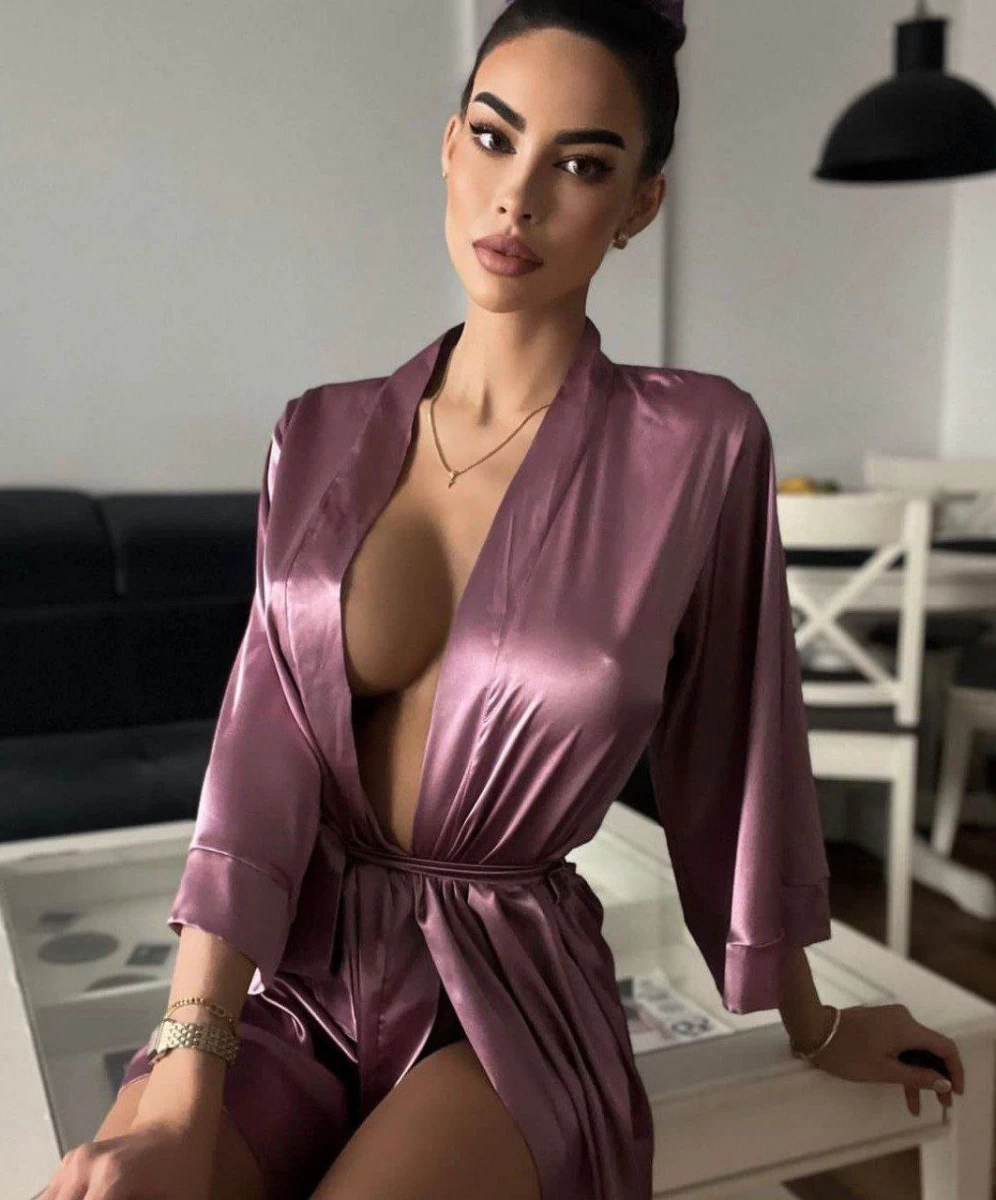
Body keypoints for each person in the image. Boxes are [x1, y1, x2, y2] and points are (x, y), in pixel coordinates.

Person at [40, 1, 965, 1198]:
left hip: (510, 1000)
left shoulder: (698, 442)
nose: (516, 197)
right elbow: (259, 763)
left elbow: (737, 752)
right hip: (306, 982)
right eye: (493, 137)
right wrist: (184, 1077)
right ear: (448, 145)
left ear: (640, 205)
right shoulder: (315, 434)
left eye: (582, 164)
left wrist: (808, 1014)